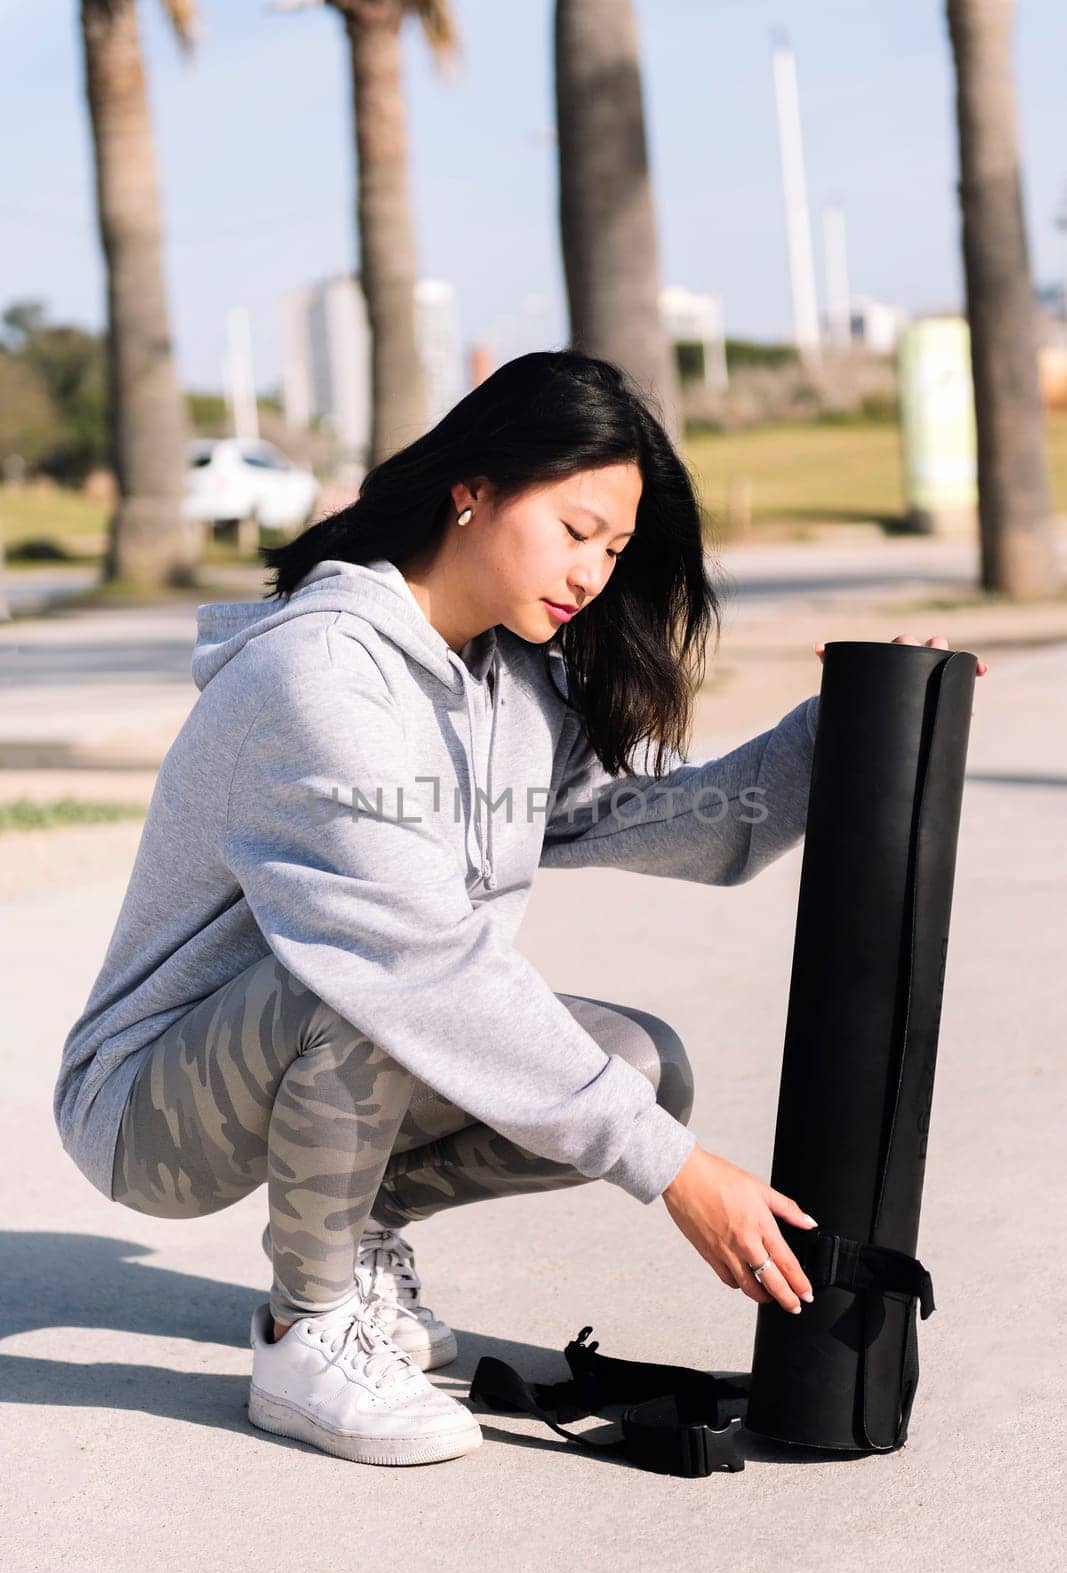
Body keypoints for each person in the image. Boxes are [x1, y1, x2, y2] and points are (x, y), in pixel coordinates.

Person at [53, 349, 988, 1469]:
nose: (593, 571)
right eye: (576, 527)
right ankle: (303, 1335)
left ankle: (350, 1241)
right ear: (474, 488)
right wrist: (677, 1173)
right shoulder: (319, 677)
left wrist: (841, 728)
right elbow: (413, 965)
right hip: (150, 1104)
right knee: (364, 984)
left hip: (324, 1042)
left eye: (615, 549)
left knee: (637, 1065)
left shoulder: (512, 685)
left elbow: (679, 819)